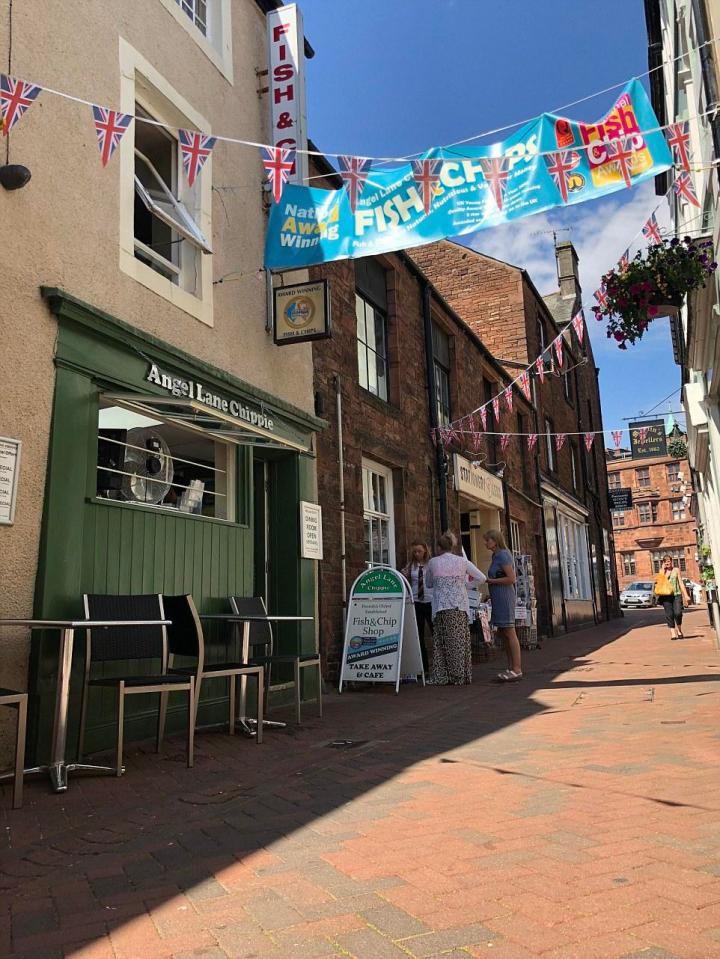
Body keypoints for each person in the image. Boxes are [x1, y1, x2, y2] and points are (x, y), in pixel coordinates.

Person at [424, 531, 486, 686]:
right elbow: (481, 578)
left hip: (441, 607)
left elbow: (429, 583)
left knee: (442, 642)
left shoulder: (433, 562)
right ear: (451, 546)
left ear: (438, 547)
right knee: (459, 641)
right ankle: (461, 675)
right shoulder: (462, 562)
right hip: (459, 606)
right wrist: (464, 585)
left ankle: (443, 675)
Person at [484, 529, 522, 683]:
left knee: (509, 631)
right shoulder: (495, 556)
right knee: (503, 632)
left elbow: (511, 578)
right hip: (497, 597)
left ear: (495, 540)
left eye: (487, 540)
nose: (486, 543)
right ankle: (511, 667)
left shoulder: (503, 555)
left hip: (505, 596)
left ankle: (517, 668)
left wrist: (491, 581)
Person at [402, 542, 433, 673]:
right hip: (416, 601)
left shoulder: (431, 565)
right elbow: (406, 580)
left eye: (419, 551)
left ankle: (439, 665)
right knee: (418, 635)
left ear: (425, 551)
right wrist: (403, 574)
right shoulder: (411, 566)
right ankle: (423, 668)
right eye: (415, 552)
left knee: (435, 632)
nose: (417, 554)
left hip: (430, 602)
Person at [654, 555, 690, 639]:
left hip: (676, 594)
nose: (668, 563)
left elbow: (680, 583)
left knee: (678, 613)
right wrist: (663, 570)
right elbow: (660, 581)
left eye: (669, 561)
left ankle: (679, 630)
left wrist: (686, 595)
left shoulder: (676, 570)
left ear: (671, 561)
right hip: (666, 596)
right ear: (663, 563)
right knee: (669, 614)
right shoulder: (661, 571)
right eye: (666, 562)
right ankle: (673, 633)